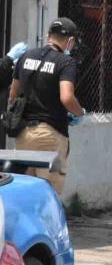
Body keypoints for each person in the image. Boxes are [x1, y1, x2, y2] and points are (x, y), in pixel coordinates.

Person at [9, 19, 85, 194]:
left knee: (25, 191)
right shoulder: (66, 63)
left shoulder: (25, 57)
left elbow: (13, 94)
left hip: (24, 134)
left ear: (48, 36)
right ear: (70, 41)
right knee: (49, 194)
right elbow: (67, 97)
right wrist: (79, 112)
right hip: (50, 135)